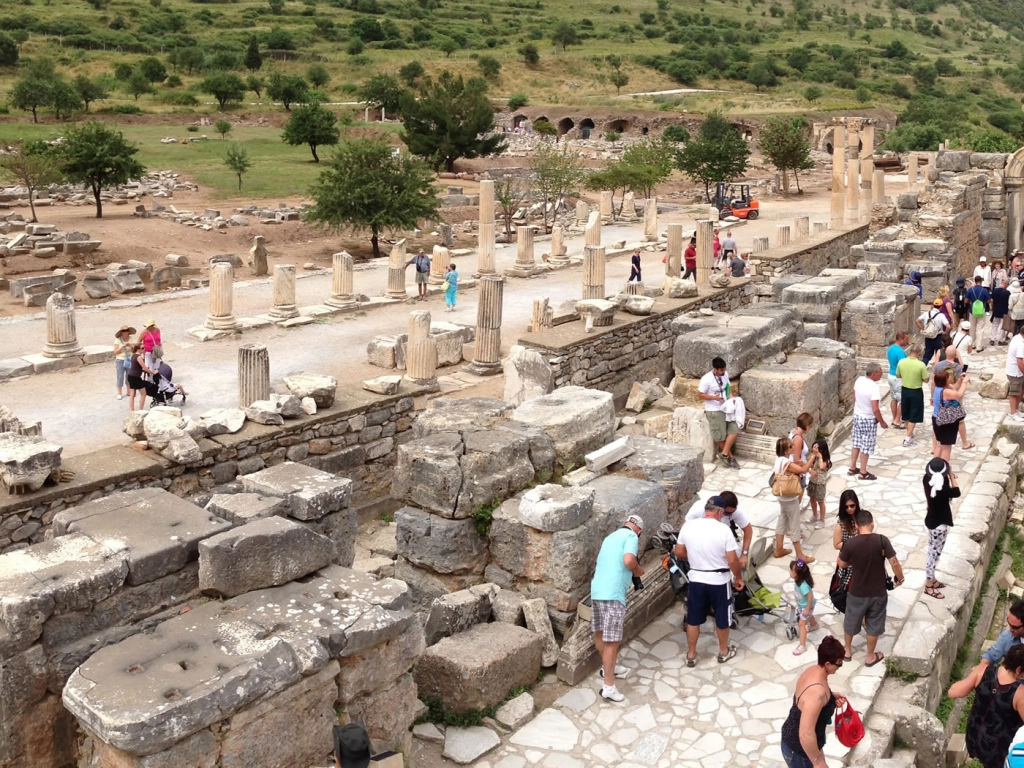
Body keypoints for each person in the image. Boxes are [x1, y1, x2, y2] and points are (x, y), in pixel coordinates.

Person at [675, 497, 743, 666]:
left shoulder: (688, 526)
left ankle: (691, 654)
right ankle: (723, 652)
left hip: (697, 578)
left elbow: (679, 551)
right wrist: (738, 577)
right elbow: (732, 560)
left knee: (693, 618)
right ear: (719, 511)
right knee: (722, 617)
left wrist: (696, 556)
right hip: (719, 580)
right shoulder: (724, 530)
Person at [837, 508, 905, 666]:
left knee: (851, 619)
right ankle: (869, 656)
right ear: (872, 524)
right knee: (874, 622)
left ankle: (847, 650)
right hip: (878, 591)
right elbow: (894, 562)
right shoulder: (882, 540)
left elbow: (842, 563)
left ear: (856, 525)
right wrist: (900, 578)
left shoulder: (851, 543)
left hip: (856, 591)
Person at [590, 514, 645, 702]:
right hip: (613, 594)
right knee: (612, 641)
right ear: (639, 531)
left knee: (600, 633)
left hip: (597, 591)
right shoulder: (631, 537)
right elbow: (629, 560)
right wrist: (638, 570)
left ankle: (607, 668)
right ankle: (609, 687)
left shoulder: (610, 537)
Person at [948, 644, 1024, 768]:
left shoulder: (982, 671)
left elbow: (953, 692)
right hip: (998, 749)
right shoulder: (1020, 693)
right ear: (1018, 670)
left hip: (975, 737)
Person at [779, 636, 848, 768]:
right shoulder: (817, 694)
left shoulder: (812, 671)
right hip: (800, 751)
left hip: (803, 745)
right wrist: (818, 762)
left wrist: (831, 698)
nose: (840, 666)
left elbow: (806, 699)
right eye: (838, 663)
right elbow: (805, 734)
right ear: (827, 664)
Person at [772, 437, 817, 563]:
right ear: (786, 449)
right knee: (795, 524)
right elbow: (802, 470)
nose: (793, 447)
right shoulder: (787, 462)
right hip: (790, 498)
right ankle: (800, 555)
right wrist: (812, 457)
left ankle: (779, 548)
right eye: (791, 446)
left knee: (782, 520)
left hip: (782, 496)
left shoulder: (779, 460)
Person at [684, 490, 753, 569]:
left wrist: (744, 554)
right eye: (727, 513)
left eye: (732, 512)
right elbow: (685, 528)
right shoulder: (698, 509)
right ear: (720, 509)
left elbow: (748, 530)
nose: (730, 515)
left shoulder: (734, 511)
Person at [923, 457, 959, 600]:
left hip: (931, 520)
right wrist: (951, 475)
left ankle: (933, 580)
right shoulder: (942, 488)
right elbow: (957, 492)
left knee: (933, 551)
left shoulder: (926, 480)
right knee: (934, 554)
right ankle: (928, 585)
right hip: (939, 526)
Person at [698, 357, 740, 468]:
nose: (723, 372)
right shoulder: (706, 379)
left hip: (726, 407)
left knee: (734, 429)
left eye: (724, 370)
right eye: (721, 370)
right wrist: (713, 397)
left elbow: (727, 388)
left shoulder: (725, 375)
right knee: (720, 436)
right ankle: (730, 457)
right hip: (714, 410)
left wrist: (731, 399)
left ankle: (724, 454)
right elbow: (700, 394)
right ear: (715, 369)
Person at [848, 363, 888, 481]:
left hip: (857, 416)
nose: (881, 376)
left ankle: (852, 467)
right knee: (866, 446)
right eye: (880, 374)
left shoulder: (859, 380)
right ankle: (863, 472)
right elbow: (875, 408)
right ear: (874, 374)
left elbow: (854, 397)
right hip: (868, 419)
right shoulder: (874, 387)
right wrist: (882, 422)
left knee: (856, 443)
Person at [932, 368, 968, 461]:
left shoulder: (938, 388)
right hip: (946, 421)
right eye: (948, 377)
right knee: (947, 448)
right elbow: (959, 394)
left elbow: (953, 388)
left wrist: (960, 380)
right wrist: (965, 382)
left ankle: (934, 467)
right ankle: (946, 471)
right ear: (945, 380)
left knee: (939, 445)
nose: (950, 378)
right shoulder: (945, 392)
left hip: (937, 418)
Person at [895, 343, 928, 448]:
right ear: (918, 354)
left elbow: (898, 375)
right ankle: (907, 438)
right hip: (916, 391)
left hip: (905, 390)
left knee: (906, 413)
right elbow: (926, 379)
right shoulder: (921, 365)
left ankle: (909, 432)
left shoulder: (901, 362)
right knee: (914, 414)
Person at [791, 559, 819, 656]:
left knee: (802, 624)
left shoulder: (803, 585)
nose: (790, 572)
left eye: (792, 570)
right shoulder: (798, 581)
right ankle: (814, 625)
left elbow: (810, 597)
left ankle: (802, 645)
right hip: (803, 605)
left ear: (798, 574)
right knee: (809, 615)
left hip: (806, 606)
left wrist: (807, 609)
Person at [832, 491, 860, 589]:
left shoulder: (861, 517)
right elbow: (836, 544)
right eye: (846, 507)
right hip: (848, 562)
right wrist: (852, 545)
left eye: (852, 506)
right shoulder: (841, 524)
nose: (850, 509)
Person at [807, 439, 831, 529]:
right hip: (812, 482)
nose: (815, 450)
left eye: (817, 448)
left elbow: (821, 467)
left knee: (820, 501)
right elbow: (808, 466)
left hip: (820, 483)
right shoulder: (813, 457)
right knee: (812, 499)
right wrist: (810, 470)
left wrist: (820, 456)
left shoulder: (826, 460)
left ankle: (822, 520)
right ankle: (814, 515)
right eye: (814, 448)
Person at [917, 298, 949, 367]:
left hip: (928, 337)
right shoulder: (941, 315)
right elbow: (948, 326)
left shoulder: (926, 313)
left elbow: (917, 321)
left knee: (927, 355)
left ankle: (921, 368)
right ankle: (939, 370)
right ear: (941, 306)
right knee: (939, 354)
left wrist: (923, 329)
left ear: (933, 305)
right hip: (938, 337)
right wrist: (945, 333)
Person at [789, 412, 813, 502]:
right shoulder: (798, 439)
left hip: (797, 470)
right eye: (810, 426)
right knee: (797, 499)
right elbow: (797, 460)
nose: (811, 428)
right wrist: (809, 469)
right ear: (807, 425)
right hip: (798, 472)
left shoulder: (793, 432)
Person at [886, 331, 908, 428]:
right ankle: (897, 420)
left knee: (893, 398)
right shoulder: (900, 352)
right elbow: (903, 366)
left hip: (890, 375)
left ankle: (894, 418)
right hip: (898, 378)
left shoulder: (890, 349)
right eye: (906, 339)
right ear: (901, 339)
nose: (907, 341)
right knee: (903, 400)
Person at [125, 344, 156, 412]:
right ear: (138, 349)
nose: (144, 349)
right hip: (136, 377)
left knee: (132, 394)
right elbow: (145, 368)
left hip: (130, 376)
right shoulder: (139, 357)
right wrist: (153, 372)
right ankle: (141, 410)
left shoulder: (133, 356)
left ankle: (132, 410)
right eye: (142, 348)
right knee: (143, 393)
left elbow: (136, 367)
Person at [967, 275, 993, 353]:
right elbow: (989, 301)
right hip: (982, 311)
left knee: (972, 328)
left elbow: (966, 301)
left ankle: (972, 344)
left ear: (975, 281)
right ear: (981, 282)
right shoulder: (984, 290)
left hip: (972, 311)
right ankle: (979, 346)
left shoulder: (970, 290)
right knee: (980, 328)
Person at [113, 325, 136, 401]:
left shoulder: (131, 339)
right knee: (120, 376)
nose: (125, 332)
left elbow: (134, 350)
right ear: (121, 332)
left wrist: (131, 346)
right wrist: (122, 346)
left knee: (129, 375)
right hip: (120, 359)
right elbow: (115, 352)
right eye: (124, 331)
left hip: (129, 359)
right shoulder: (117, 340)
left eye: (127, 330)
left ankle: (128, 390)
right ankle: (119, 393)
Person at [1008, 324, 1024, 422]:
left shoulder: (1016, 337)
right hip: (1016, 372)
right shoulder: (1020, 344)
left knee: (1020, 392)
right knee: (1014, 393)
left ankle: (1016, 410)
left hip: (1019, 372)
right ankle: (1013, 414)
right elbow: (1019, 361)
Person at [994, 278, 1012, 345]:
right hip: (1004, 311)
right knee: (1002, 326)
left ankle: (992, 338)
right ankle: (1001, 339)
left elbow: (992, 301)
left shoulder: (995, 291)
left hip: (996, 310)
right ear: (1006, 284)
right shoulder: (1008, 293)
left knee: (995, 325)